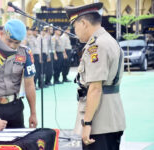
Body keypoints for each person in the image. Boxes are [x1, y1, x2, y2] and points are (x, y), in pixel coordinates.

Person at [65, 2, 126, 150]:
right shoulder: (109, 40)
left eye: (75, 26)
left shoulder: (97, 46)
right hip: (111, 116)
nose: (74, 30)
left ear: (84, 23)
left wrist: (87, 124)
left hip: (99, 122)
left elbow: (95, 89)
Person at [0, 19, 37, 128]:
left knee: (17, 142)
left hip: (14, 108)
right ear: (1, 34)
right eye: (9, 41)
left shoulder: (25, 53)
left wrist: (33, 113)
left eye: (17, 43)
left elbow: (30, 85)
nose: (12, 46)